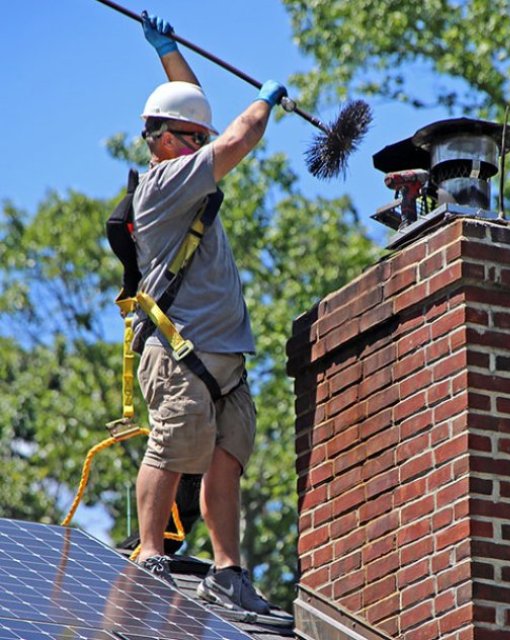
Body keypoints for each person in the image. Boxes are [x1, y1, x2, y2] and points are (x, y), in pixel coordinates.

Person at [132, 12, 286, 616]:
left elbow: (195, 114)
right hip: (179, 349)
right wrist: (264, 102)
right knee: (173, 449)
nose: (203, 144)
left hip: (224, 358)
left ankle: (228, 572)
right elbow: (236, 139)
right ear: (165, 140)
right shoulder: (165, 184)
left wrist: (168, 56)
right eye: (192, 137)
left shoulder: (186, 159)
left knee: (227, 461)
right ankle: (150, 556)